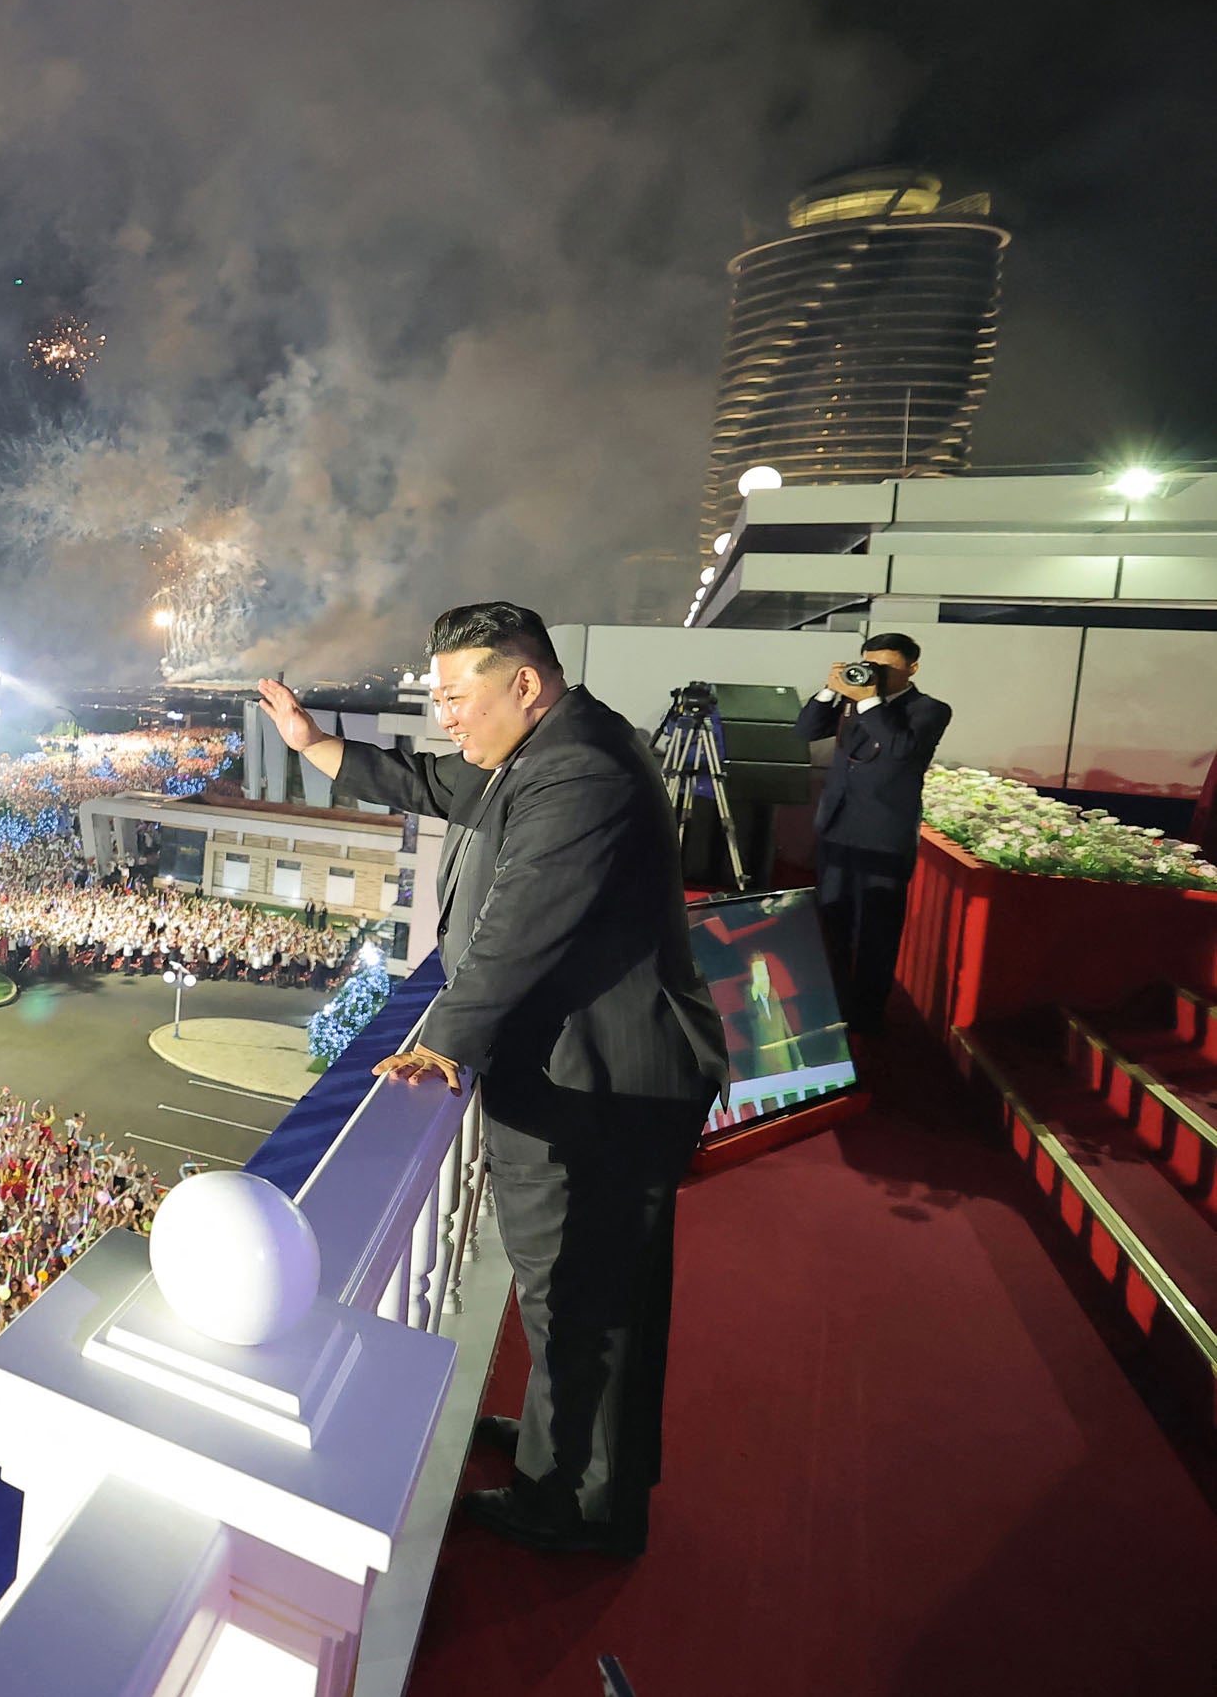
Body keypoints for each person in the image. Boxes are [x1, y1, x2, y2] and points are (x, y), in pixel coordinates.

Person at [258, 601, 725, 1558]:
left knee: (585, 1300)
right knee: (582, 1292)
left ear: (523, 682)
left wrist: (444, 1039)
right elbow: (428, 782)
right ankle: (573, 1450)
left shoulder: (580, 771)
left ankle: (578, 1505)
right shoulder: (546, 745)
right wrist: (311, 743)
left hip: (597, 1087)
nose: (443, 717)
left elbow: (520, 924)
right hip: (592, 1074)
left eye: (454, 696)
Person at [794, 632, 952, 1032]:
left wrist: (867, 700)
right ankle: (830, 1007)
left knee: (877, 931)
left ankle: (866, 1017)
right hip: (838, 827)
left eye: (885, 667)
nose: (874, 673)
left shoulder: (929, 710)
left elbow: (899, 750)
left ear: (912, 668)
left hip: (884, 836)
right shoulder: (853, 701)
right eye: (869, 664)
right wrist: (830, 690)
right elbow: (806, 730)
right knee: (831, 921)